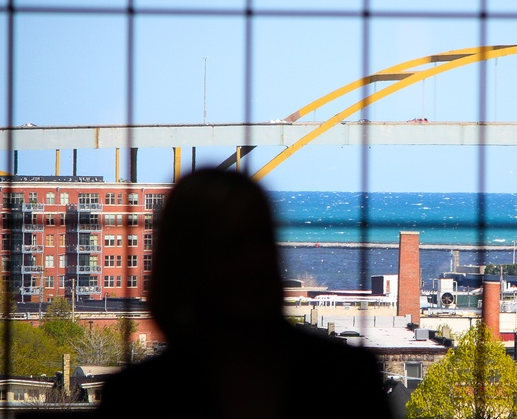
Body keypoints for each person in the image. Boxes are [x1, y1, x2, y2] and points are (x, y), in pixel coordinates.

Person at [96, 169, 391, 419]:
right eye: (230, 245)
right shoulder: (345, 378)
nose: (252, 261)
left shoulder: (140, 395)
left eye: (261, 239)